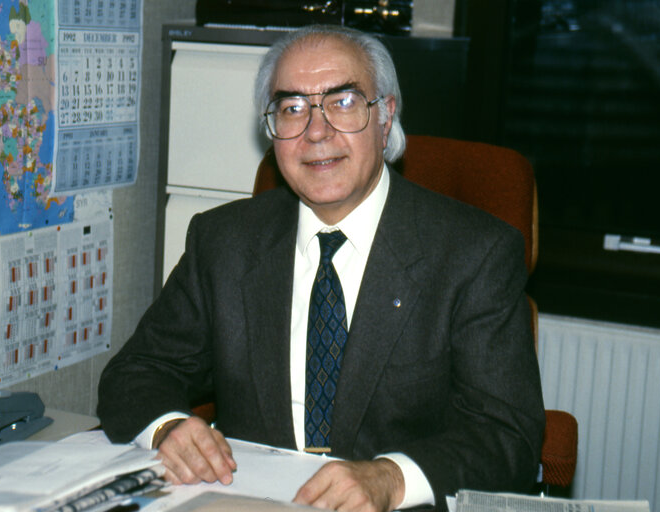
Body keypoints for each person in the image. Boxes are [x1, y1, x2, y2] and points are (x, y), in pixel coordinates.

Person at [98, 24, 545, 512]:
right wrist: (166, 427)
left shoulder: (474, 253)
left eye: (344, 102)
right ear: (273, 130)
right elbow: (135, 372)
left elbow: (508, 436)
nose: (316, 131)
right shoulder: (223, 242)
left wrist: (390, 478)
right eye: (292, 108)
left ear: (386, 115)